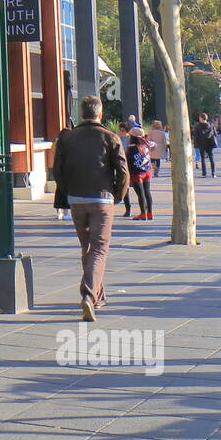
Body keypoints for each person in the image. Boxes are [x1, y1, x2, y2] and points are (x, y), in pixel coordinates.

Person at [53, 96, 129, 322]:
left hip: (76, 199)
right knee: (99, 249)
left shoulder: (67, 138)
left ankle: (98, 295)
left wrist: (68, 191)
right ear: (100, 114)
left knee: (87, 247)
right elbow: (123, 171)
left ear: (82, 114)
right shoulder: (110, 137)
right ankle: (88, 294)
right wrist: (118, 195)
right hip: (102, 199)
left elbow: (57, 170)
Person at [127, 127, 155, 220]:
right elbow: (154, 146)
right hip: (148, 171)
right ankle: (150, 213)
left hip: (137, 173)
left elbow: (127, 160)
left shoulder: (131, 147)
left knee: (140, 194)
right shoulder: (146, 144)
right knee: (147, 192)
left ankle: (143, 213)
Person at [193, 112, 218, 176]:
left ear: (201, 118)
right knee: (211, 158)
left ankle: (204, 173)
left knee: (203, 159)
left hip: (202, 144)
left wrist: (197, 144)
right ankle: (213, 173)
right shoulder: (211, 125)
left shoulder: (198, 126)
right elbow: (215, 134)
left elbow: (196, 136)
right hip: (210, 144)